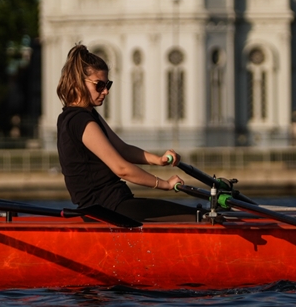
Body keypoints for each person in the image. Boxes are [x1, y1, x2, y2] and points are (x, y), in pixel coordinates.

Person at [56, 45, 196, 222]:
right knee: (197, 218)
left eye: (107, 85)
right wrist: (165, 185)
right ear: (77, 83)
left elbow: (122, 149)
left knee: (195, 215)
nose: (105, 91)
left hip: (112, 206)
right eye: (99, 85)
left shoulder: (84, 115)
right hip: (108, 210)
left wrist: (158, 160)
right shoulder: (80, 121)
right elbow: (122, 169)